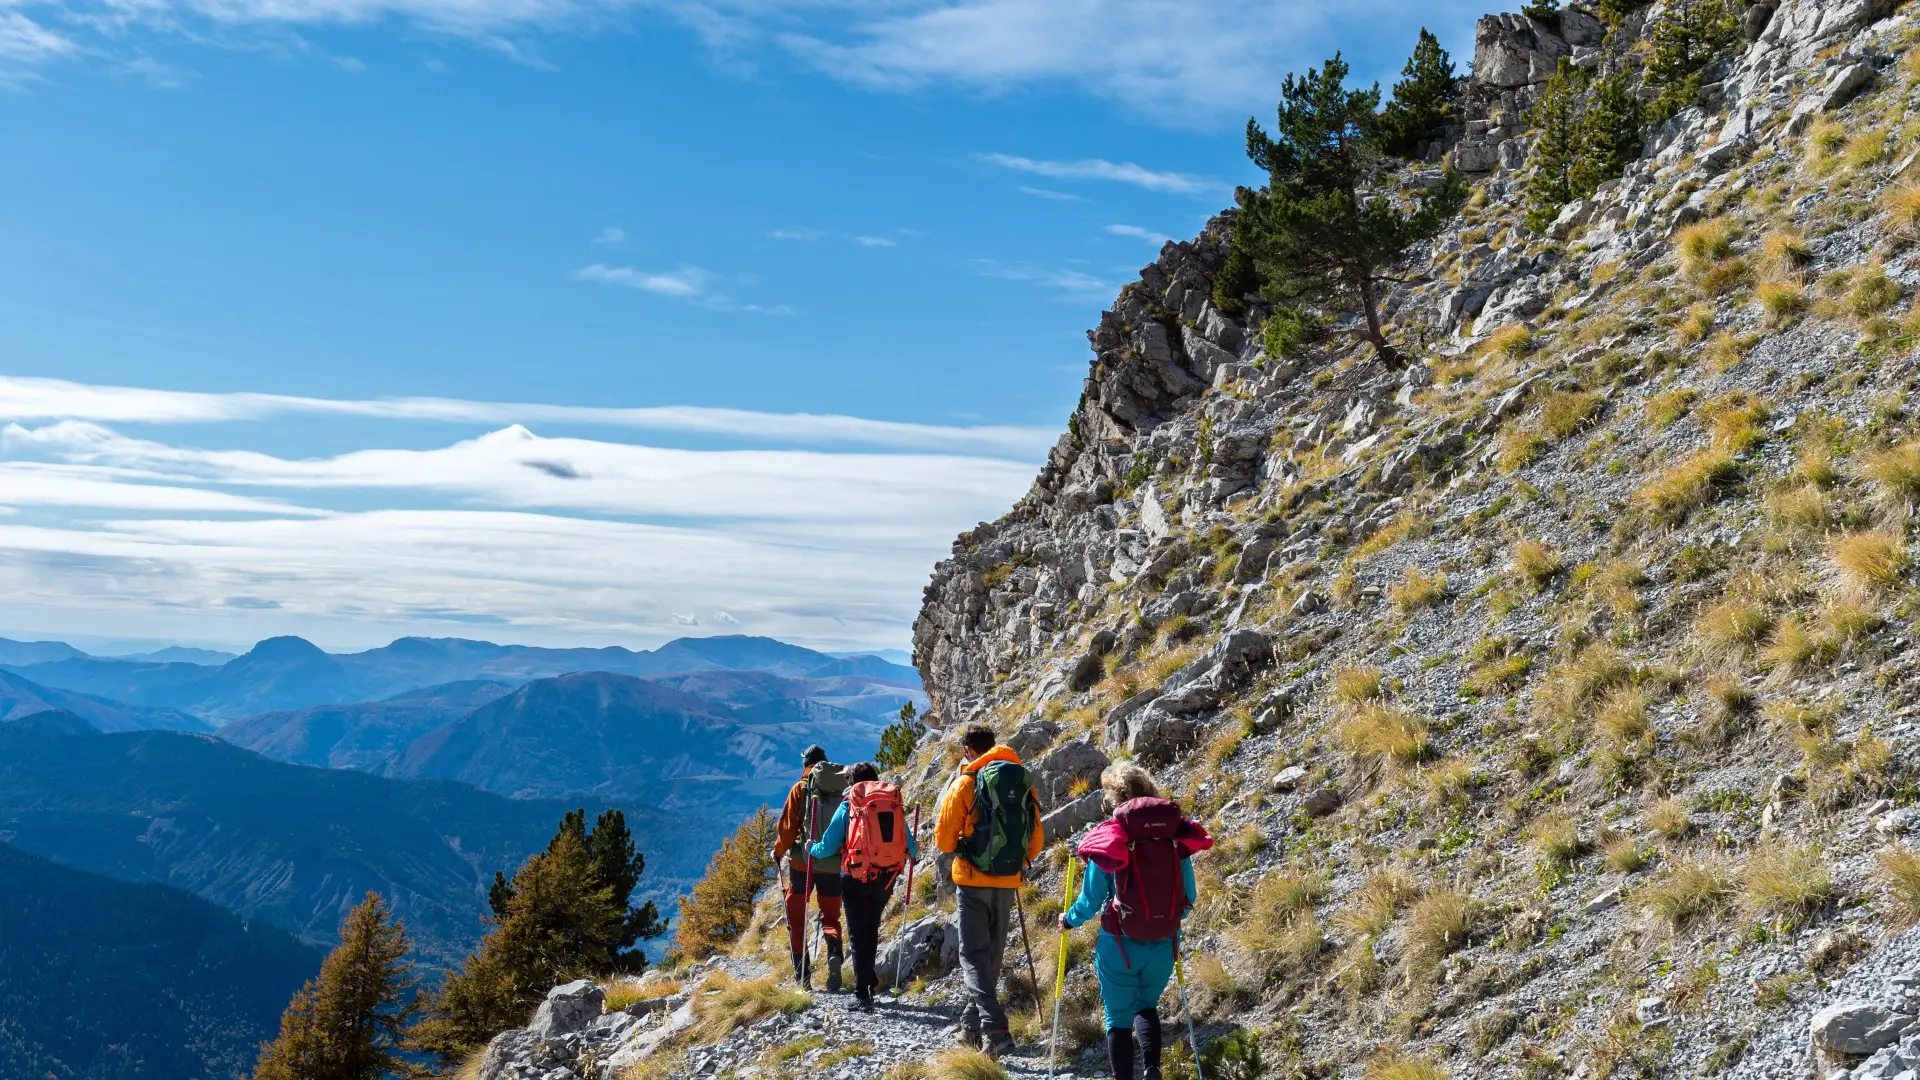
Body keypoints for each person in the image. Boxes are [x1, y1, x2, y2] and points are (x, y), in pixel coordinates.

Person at [1059, 763, 1211, 1080]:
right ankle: (1152, 1070)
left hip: (1120, 944)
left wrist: (1069, 920)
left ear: (1116, 798)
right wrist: (1161, 918)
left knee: (1118, 1017)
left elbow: (1089, 901)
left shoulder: (1112, 838)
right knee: (1146, 1006)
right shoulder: (1174, 837)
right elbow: (1188, 899)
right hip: (1164, 942)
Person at [934, 723, 1044, 1058]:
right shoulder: (1021, 779)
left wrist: (968, 849)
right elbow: (1036, 838)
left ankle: (996, 1031)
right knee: (991, 957)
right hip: (1008, 880)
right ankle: (971, 1028)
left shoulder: (966, 782)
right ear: (995, 746)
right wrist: (1014, 860)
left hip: (971, 880)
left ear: (968, 750)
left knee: (972, 956)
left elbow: (943, 840)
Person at [807, 761, 919, 1011]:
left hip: (856, 875)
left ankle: (862, 994)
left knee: (858, 934)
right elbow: (911, 846)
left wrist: (809, 848)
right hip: (886, 876)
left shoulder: (849, 804)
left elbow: (826, 847)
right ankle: (868, 978)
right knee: (871, 927)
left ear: (852, 782)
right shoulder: (891, 804)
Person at [773, 744, 849, 990]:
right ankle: (834, 953)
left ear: (805, 764)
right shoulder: (842, 790)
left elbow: (787, 828)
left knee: (796, 919)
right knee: (830, 917)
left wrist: (777, 852)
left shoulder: (800, 789)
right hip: (832, 864)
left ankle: (802, 977)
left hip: (801, 865)